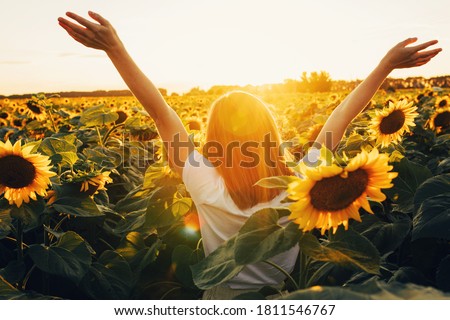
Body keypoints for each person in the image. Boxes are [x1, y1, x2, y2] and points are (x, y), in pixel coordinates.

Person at [58, 11, 441, 299]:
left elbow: (160, 111)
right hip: (287, 298)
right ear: (270, 132)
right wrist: (385, 66)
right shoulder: (298, 184)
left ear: (214, 136)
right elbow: (340, 119)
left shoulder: (201, 178)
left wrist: (116, 49)